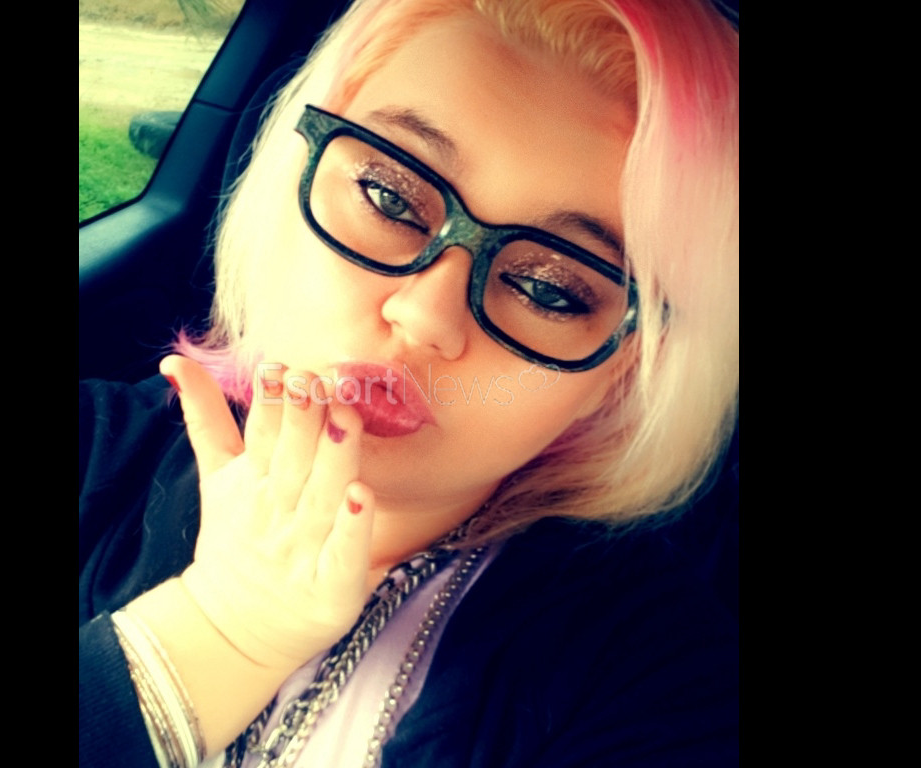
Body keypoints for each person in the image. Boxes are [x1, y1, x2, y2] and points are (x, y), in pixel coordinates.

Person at [79, 0, 739, 765]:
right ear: (290, 172)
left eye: (551, 289)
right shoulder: (91, 446)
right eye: (389, 197)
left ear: (624, 371)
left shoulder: (659, 678)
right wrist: (219, 634)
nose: (426, 315)